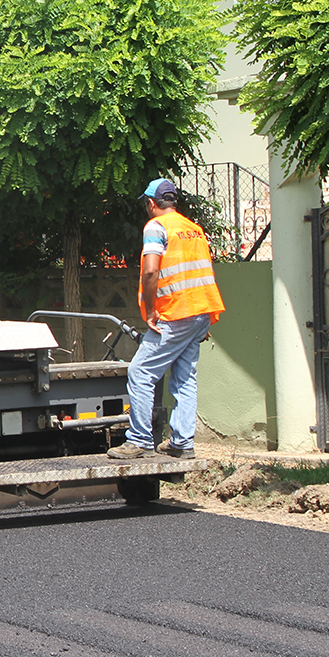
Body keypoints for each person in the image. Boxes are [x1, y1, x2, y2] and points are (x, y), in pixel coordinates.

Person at [110, 178, 225, 460]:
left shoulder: (156, 227)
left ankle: (139, 440)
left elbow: (150, 272)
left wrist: (150, 311)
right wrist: (203, 319)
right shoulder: (194, 229)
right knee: (185, 379)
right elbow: (199, 273)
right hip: (199, 312)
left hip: (173, 315)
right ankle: (182, 444)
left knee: (140, 373)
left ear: (151, 203)